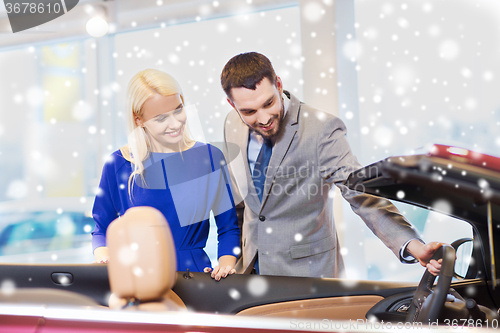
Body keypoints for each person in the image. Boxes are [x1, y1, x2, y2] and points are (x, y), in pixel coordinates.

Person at [221, 52, 443, 278]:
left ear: (278, 84)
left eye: (268, 103)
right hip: (250, 271)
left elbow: (361, 195)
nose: (264, 118)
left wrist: (412, 245)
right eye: (249, 111)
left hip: (308, 276)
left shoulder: (321, 129)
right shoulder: (232, 124)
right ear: (232, 104)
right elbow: (244, 202)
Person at [92, 69, 240, 281]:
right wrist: (104, 259)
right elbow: (101, 228)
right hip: (138, 280)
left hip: (195, 279)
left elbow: (228, 228)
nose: (175, 123)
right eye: (161, 118)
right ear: (138, 120)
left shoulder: (210, 158)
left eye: (178, 110)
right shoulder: (119, 164)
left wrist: (225, 267)